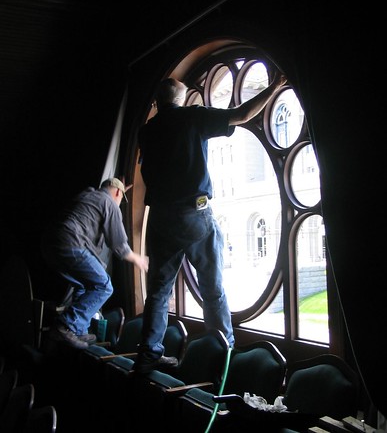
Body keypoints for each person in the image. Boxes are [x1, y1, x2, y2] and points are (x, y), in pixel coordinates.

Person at [134, 70, 286, 373]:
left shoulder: (146, 131)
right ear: (178, 98)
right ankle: (224, 353)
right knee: (212, 287)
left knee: (159, 291)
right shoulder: (191, 117)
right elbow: (242, 114)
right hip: (194, 214)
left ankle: (148, 355)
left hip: (161, 218)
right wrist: (277, 85)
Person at [41, 177, 149, 350]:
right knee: (104, 286)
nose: (120, 203)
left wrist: (119, 189)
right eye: (121, 198)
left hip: (49, 245)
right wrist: (138, 259)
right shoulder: (110, 203)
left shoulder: (88, 194)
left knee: (85, 285)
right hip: (70, 244)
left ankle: (79, 330)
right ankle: (66, 326)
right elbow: (119, 245)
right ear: (117, 193)